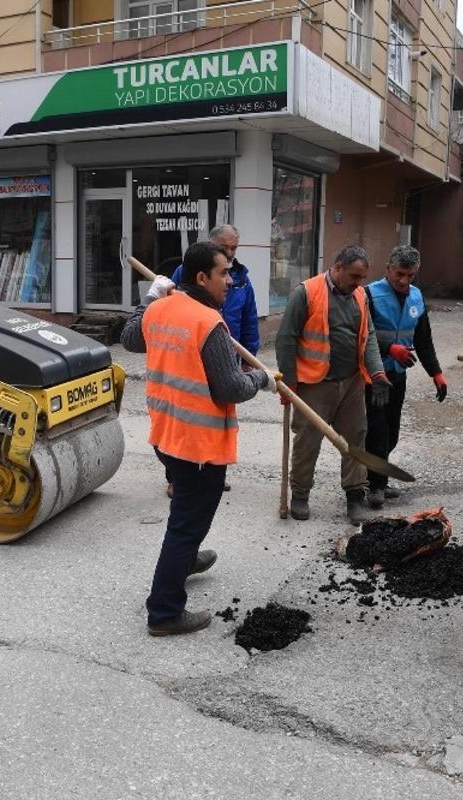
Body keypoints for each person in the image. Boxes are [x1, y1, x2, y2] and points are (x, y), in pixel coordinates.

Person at [122, 240, 277, 637]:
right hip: (198, 446)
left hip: (165, 432)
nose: (230, 280)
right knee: (188, 524)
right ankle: (164, 612)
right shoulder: (209, 324)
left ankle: (185, 560)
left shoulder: (160, 310)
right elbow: (230, 388)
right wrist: (263, 379)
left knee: (185, 518)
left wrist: (150, 298)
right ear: (201, 277)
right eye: (224, 273)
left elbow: (129, 337)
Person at [275, 244, 392, 526]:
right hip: (315, 383)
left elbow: (369, 336)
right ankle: (300, 495)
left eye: (362, 278)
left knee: (355, 438)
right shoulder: (306, 292)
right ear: (337, 267)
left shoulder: (360, 295)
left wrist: (376, 373)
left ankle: (355, 496)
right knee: (307, 442)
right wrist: (288, 383)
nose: (358, 283)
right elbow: (286, 338)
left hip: (351, 382)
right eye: (354, 276)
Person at [166, 224, 259, 498]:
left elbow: (249, 319)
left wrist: (248, 358)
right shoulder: (185, 273)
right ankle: (177, 477)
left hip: (227, 353)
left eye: (234, 248)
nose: (230, 253)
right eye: (224, 247)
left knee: (220, 419)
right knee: (186, 420)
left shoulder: (240, 278)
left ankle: (214, 470)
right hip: (191, 355)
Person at [362, 245, 446, 509]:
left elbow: (423, 339)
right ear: (388, 269)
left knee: (392, 433)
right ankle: (374, 486)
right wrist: (389, 349)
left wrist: (437, 373)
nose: (404, 281)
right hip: (373, 376)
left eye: (410, 275)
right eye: (399, 273)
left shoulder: (417, 297)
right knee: (377, 431)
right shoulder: (369, 295)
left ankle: (379, 479)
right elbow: (361, 337)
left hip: (398, 375)